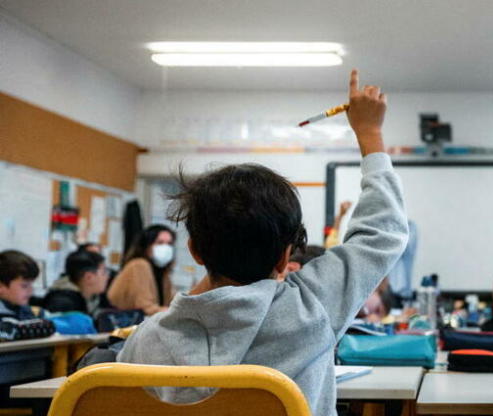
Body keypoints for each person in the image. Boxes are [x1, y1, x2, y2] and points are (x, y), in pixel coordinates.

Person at [117, 69, 409, 416]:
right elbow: (382, 232)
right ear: (286, 256)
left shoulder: (145, 342)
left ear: (194, 251)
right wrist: (370, 133)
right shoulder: (310, 308)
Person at [107, 224, 177, 315]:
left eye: (169, 244)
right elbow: (145, 307)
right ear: (146, 246)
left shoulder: (162, 272)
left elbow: (171, 302)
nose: (166, 248)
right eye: (160, 243)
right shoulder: (139, 265)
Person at [43, 249, 111, 315]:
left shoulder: (92, 299)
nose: (107, 277)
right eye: (104, 272)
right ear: (88, 277)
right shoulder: (64, 306)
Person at [0, 250, 41, 320]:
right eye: (24, 286)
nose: (31, 290)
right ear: (1, 286)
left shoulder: (34, 313)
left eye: (31, 285)